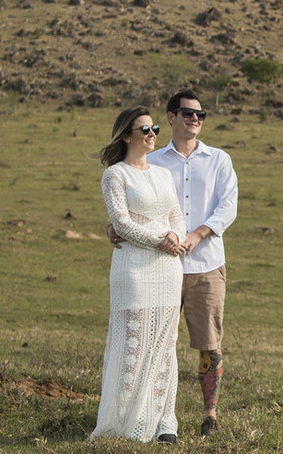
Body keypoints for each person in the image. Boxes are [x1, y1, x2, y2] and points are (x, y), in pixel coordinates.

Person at [110, 89, 239, 437]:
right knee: (155, 341)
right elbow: (135, 197)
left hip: (206, 264)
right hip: (156, 265)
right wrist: (113, 225)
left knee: (209, 342)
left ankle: (209, 413)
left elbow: (228, 207)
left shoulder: (219, 160)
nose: (195, 118)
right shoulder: (153, 158)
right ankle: (151, 415)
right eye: (187, 113)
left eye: (200, 114)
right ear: (171, 117)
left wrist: (196, 235)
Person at [91, 107, 186, 444]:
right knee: (133, 343)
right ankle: (124, 421)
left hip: (169, 269)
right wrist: (161, 241)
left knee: (166, 344)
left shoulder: (163, 175)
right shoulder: (115, 175)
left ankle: (165, 423)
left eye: (154, 128)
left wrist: (176, 236)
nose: (151, 134)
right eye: (144, 129)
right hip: (133, 268)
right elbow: (121, 224)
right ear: (127, 135)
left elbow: (177, 216)